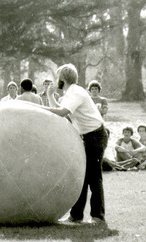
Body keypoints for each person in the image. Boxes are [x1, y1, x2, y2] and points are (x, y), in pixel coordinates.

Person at [39, 63, 108, 225]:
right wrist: (50, 96)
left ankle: (98, 216)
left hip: (95, 135)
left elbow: (62, 113)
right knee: (82, 176)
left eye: (58, 78)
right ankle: (76, 215)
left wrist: (39, 107)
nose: (57, 81)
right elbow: (60, 110)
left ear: (62, 79)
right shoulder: (71, 93)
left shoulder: (76, 92)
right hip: (87, 136)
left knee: (93, 177)